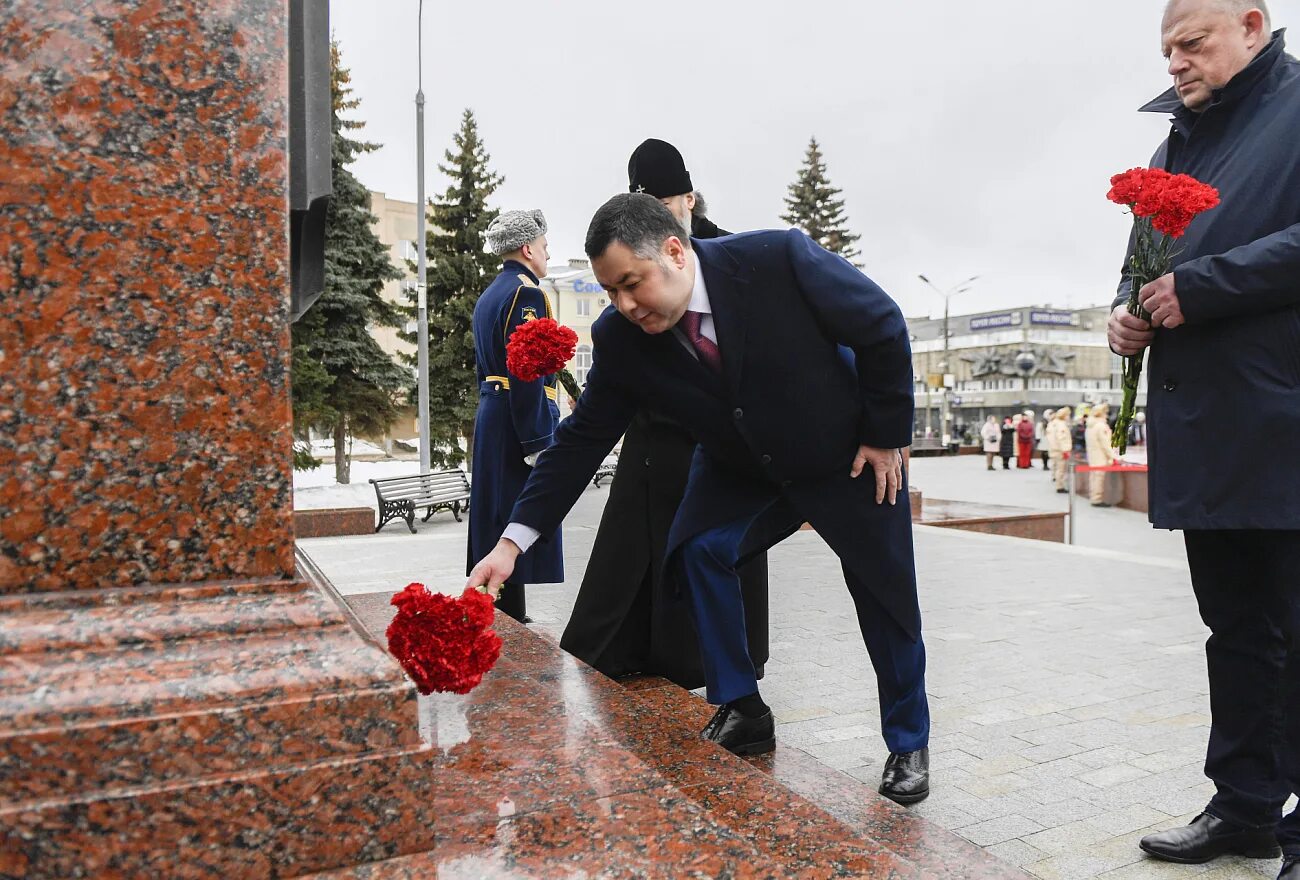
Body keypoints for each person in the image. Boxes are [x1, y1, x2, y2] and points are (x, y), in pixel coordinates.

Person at [468, 194, 931, 805]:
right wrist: (511, 544)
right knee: (698, 549)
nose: (624, 306)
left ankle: (907, 741)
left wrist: (883, 435)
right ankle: (743, 707)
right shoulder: (622, 337)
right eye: (610, 293)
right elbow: (580, 442)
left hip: (843, 453)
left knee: (884, 590)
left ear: (674, 251)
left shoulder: (777, 259)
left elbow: (881, 323)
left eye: (631, 284)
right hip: (740, 466)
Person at [1107, 2, 1299, 871]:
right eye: (1166, 49)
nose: (1176, 62)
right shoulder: (1174, 144)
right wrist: (1125, 308)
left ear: (1253, 26)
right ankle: (1246, 805)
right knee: (1236, 630)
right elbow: (1145, 256)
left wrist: (1207, 286)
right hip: (1207, 423)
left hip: (1284, 416)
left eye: (1193, 42)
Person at [561, 139, 770, 690]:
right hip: (651, 431)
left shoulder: (730, 255)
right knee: (632, 550)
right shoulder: (629, 268)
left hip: (719, 441)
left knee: (714, 549)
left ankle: (726, 669)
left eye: (667, 201)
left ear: (689, 200)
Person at [465, 209, 563, 623]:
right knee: (516, 516)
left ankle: (502, 613)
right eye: (543, 245)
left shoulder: (490, 294)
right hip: (516, 418)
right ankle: (508, 620)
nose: (546, 252)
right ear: (527, 248)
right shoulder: (528, 294)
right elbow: (527, 372)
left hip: (493, 413)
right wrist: (539, 441)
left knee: (495, 517)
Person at [1084, 403, 1117, 507]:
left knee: (1093, 478)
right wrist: (1113, 456)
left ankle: (1093, 497)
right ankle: (1097, 499)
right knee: (1099, 479)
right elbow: (1106, 444)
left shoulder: (1090, 426)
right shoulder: (1101, 426)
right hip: (1101, 457)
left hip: (1093, 456)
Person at [1046, 407, 1073, 493]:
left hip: (1054, 449)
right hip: (1060, 450)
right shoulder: (1061, 425)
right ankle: (1060, 486)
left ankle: (1059, 485)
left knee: (1057, 468)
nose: (1068, 417)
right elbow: (1062, 438)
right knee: (1061, 469)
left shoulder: (1052, 423)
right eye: (1068, 415)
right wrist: (1065, 450)